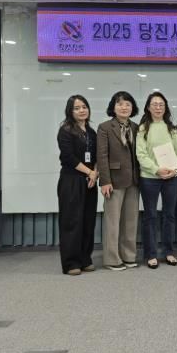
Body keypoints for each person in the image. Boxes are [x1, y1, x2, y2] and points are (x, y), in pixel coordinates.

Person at [136, 92, 177, 269]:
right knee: (150, 216)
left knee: (169, 215)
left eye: (161, 104)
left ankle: (168, 252)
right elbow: (141, 155)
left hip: (172, 177)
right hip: (150, 177)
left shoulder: (173, 129)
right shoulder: (142, 129)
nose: (158, 107)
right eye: (154, 104)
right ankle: (151, 254)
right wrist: (157, 169)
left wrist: (175, 169)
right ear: (148, 107)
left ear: (165, 107)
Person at [97, 91, 140, 271]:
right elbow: (102, 155)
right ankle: (112, 259)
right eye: (120, 104)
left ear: (132, 108)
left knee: (130, 221)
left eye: (128, 104)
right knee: (112, 222)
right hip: (113, 180)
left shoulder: (136, 127)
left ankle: (128, 256)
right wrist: (105, 181)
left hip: (134, 181)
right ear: (113, 107)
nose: (124, 107)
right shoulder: (105, 127)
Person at [56, 95, 98, 275]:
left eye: (84, 107)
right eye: (77, 108)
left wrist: (94, 173)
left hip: (90, 181)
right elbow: (68, 157)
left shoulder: (91, 132)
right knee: (72, 222)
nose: (82, 110)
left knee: (88, 221)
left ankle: (85, 259)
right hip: (71, 180)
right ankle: (71, 262)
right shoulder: (65, 130)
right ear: (70, 111)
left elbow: (97, 155)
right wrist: (89, 172)